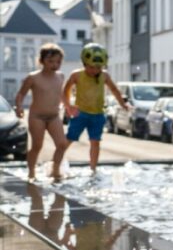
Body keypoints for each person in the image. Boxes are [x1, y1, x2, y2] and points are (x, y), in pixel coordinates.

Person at [62, 44, 129, 172]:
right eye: (91, 67)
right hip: (80, 113)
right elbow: (65, 90)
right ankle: (56, 162)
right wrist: (68, 106)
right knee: (70, 138)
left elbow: (114, 90)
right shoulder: (76, 75)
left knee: (95, 142)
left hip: (98, 114)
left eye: (98, 68)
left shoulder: (104, 76)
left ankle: (93, 169)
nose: (94, 71)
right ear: (84, 63)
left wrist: (122, 104)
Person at [13, 43, 71, 180]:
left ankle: (55, 170)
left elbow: (60, 93)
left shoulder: (60, 76)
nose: (55, 64)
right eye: (51, 61)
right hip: (37, 117)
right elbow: (21, 94)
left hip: (54, 116)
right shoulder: (33, 77)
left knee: (62, 144)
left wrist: (69, 106)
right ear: (42, 61)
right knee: (37, 146)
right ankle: (31, 171)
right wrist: (19, 106)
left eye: (58, 61)